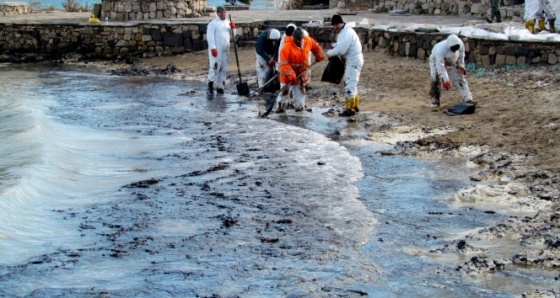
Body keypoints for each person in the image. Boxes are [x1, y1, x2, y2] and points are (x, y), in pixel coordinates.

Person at [277, 28, 325, 112]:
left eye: (300, 40)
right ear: (293, 38)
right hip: (287, 75)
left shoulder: (307, 41)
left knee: (300, 92)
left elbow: (316, 47)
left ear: (302, 38)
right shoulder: (286, 47)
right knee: (284, 92)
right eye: (297, 40)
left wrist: (319, 55)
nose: (298, 41)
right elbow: (284, 64)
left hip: (301, 73)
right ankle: (281, 108)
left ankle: (299, 107)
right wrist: (291, 75)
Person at [326, 14, 364, 117]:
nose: (335, 27)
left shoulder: (346, 33)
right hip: (353, 60)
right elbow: (340, 45)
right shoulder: (345, 32)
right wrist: (334, 46)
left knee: (349, 83)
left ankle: (350, 109)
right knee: (352, 82)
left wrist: (329, 53)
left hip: (353, 61)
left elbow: (341, 50)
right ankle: (355, 105)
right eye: (333, 25)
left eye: (336, 25)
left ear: (340, 23)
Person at [428, 34, 474, 112]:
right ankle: (435, 103)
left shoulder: (460, 44)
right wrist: (445, 80)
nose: (454, 51)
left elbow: (461, 54)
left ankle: (468, 98)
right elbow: (440, 66)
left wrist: (461, 65)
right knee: (435, 80)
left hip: (451, 62)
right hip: (437, 62)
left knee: (459, 78)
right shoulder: (440, 49)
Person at [206, 6, 235, 94]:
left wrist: (233, 28)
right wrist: (213, 48)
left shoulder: (227, 22)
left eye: (224, 12)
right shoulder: (213, 24)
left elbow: (233, 35)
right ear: (218, 13)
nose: (223, 14)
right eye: (221, 12)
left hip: (225, 49)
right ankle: (210, 84)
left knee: (224, 68)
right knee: (215, 67)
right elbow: (210, 37)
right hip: (217, 49)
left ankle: (220, 86)